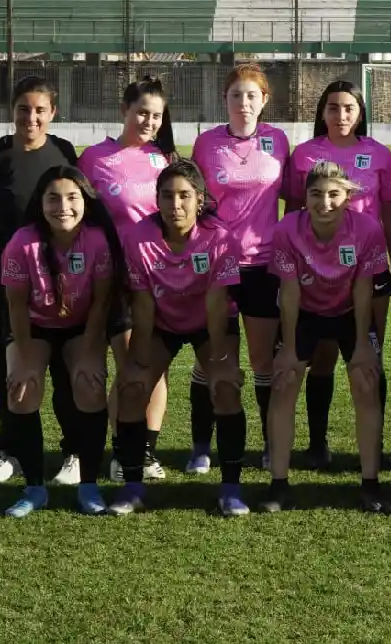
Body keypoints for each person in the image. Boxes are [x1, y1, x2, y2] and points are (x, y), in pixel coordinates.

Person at [79, 75, 203, 482]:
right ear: (124, 111)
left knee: (156, 368)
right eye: (141, 113)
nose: (149, 121)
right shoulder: (95, 158)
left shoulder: (164, 159)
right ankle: (123, 451)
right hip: (116, 280)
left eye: (156, 115)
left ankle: (145, 451)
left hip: (161, 278)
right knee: (131, 366)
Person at [0, 76, 82, 486]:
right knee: (9, 363)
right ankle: (9, 450)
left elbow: (78, 201)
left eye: (39, 109)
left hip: (59, 271)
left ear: (53, 113)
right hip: (6, 275)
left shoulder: (63, 152)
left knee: (65, 363)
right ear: (12, 111)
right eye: (23, 109)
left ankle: (73, 452)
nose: (31, 117)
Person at [109, 160, 249, 517]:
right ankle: (132, 486)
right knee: (131, 388)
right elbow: (141, 301)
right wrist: (138, 355)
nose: (176, 204)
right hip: (160, 322)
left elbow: (217, 303)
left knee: (226, 388)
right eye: (168, 196)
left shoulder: (220, 238)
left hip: (209, 321)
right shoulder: (138, 238)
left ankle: (231, 489)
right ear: (157, 199)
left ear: (199, 199)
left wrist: (219, 357)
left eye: (185, 195)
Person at [0, 166, 125, 517]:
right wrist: (23, 358)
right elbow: (17, 306)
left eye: (72, 197)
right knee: (21, 392)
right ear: (40, 203)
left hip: (81, 327)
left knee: (90, 386)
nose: (63, 206)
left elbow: (101, 302)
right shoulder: (22, 242)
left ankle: (88, 485)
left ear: (85, 200)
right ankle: (34, 488)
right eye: (53, 198)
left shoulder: (97, 240)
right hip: (34, 327)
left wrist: (88, 351)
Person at [262, 161, 389, 513]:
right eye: (316, 194)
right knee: (285, 382)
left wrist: (364, 344)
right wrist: (288, 348)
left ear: (348, 197)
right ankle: (279, 484)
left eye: (334, 194)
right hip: (304, 313)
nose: (325, 202)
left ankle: (370, 483)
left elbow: (364, 290)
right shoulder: (288, 228)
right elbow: (288, 292)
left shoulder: (366, 229)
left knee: (365, 382)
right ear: (304, 197)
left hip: (349, 313)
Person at [285, 80, 391, 469]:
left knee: (369, 355)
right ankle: (318, 443)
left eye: (349, 107)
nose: (341, 114)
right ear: (322, 112)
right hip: (316, 269)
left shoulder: (380, 155)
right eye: (333, 107)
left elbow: (390, 213)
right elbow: (295, 213)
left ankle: (376, 444)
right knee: (323, 356)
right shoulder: (304, 155)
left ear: (360, 112)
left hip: (369, 267)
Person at [192, 63, 289, 467]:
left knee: (264, 361)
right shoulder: (207, 143)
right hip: (218, 266)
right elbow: (195, 203)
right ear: (225, 100)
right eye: (236, 95)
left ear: (264, 100)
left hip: (263, 266)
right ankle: (201, 447)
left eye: (251, 95)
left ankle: (269, 445)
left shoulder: (278, 141)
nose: (244, 103)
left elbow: (296, 201)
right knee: (211, 358)